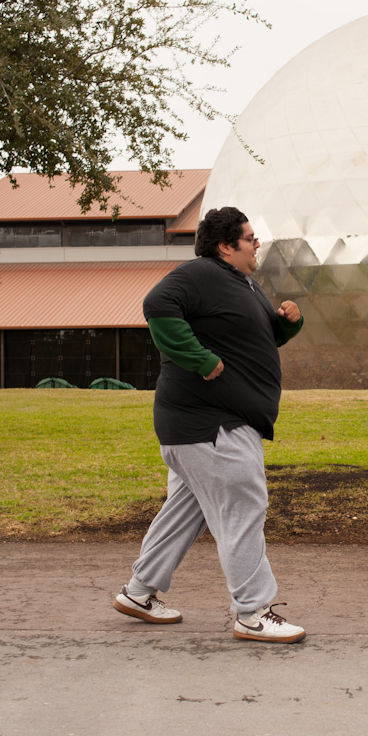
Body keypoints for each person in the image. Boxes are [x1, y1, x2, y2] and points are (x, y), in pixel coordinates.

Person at [112, 206, 307, 642]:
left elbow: (257, 337)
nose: (257, 244)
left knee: (187, 511)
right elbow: (156, 304)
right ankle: (253, 612)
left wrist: (287, 325)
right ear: (225, 246)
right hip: (211, 424)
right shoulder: (200, 274)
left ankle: (139, 593)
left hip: (199, 427)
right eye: (250, 237)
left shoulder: (242, 284)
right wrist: (201, 361)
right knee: (243, 505)